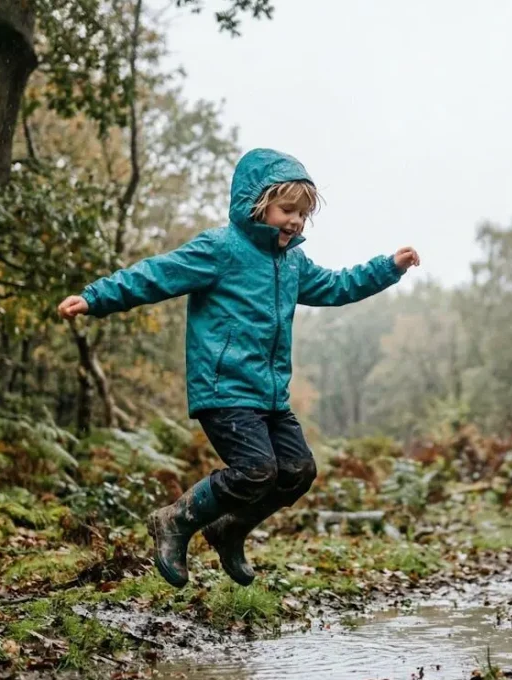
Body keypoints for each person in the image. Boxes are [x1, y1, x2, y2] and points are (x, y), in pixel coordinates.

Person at [57, 148, 420, 588]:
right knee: (256, 470)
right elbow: (156, 275)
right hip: (224, 390)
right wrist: (96, 297)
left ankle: (229, 528)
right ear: (257, 203)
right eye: (288, 209)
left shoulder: (293, 263)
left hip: (269, 396)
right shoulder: (220, 249)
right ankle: (175, 520)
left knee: (297, 471)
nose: (295, 221)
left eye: (303, 215)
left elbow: (339, 286)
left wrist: (388, 268)